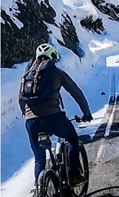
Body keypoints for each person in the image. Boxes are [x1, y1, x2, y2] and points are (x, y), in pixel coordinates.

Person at [19, 43, 92, 185]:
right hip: (53, 118)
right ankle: (74, 174)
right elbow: (76, 92)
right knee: (71, 138)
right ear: (53, 57)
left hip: (31, 121)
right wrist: (86, 113)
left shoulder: (27, 75)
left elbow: (20, 99)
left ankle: (41, 192)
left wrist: (28, 115)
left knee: (39, 158)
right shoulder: (56, 72)